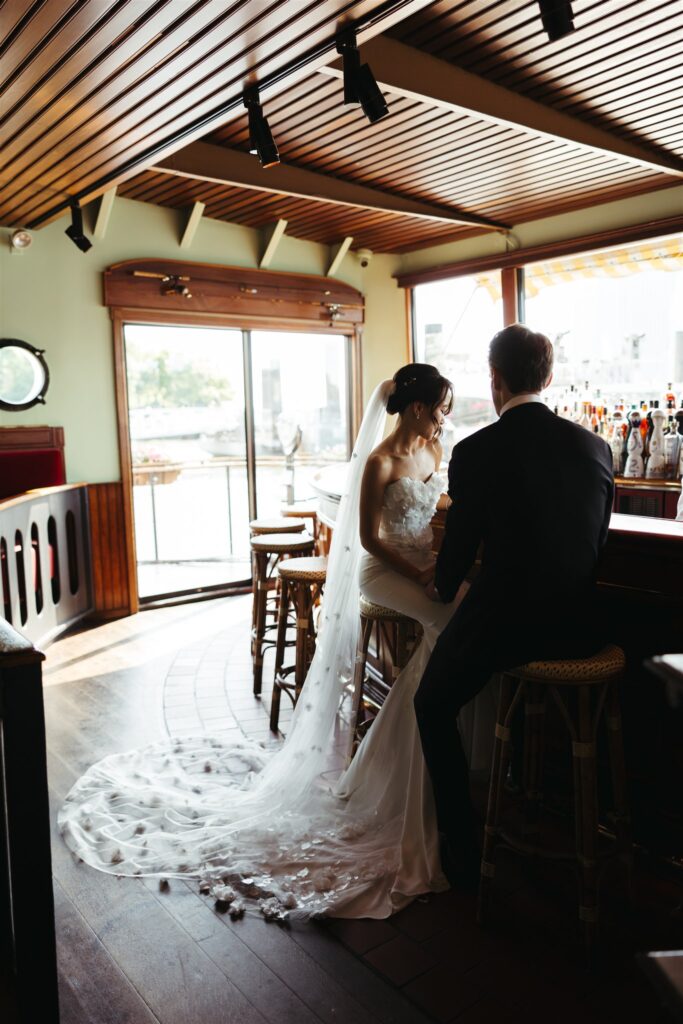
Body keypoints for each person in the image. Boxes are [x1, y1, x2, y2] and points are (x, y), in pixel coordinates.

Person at [59, 364, 492, 920]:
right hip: (385, 572)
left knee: (454, 624)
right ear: (415, 408)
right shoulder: (380, 462)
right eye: (440, 407)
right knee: (446, 628)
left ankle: (412, 770)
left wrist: (442, 561)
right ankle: (421, 774)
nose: (444, 417)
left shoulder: (435, 455)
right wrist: (418, 576)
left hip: (423, 566)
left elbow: (442, 513)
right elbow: (364, 542)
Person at [414, 324, 615, 887]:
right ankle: (548, 801)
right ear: (548, 378)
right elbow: (595, 545)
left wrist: (443, 584)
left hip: (508, 627)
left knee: (431, 705)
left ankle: (463, 845)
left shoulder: (475, 450)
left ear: (495, 380)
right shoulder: (594, 446)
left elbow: (457, 554)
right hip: (583, 630)